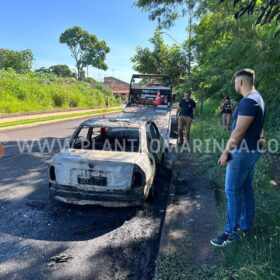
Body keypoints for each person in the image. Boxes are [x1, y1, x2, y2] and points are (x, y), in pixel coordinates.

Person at [210, 69, 265, 247]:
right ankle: (246, 227)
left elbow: (239, 130)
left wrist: (226, 152)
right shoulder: (258, 98)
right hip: (251, 151)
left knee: (232, 191)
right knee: (245, 189)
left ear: (240, 82)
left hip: (242, 152)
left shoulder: (249, 101)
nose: (235, 85)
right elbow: (258, 125)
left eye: (235, 82)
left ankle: (230, 233)